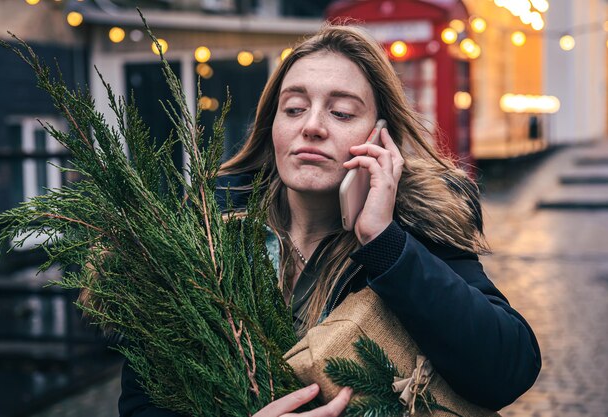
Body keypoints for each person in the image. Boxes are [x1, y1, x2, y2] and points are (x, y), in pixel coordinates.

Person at [119, 24, 541, 417]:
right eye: (295, 108)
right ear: (273, 127)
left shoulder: (418, 229)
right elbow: (144, 396)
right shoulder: (206, 232)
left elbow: (508, 369)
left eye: (341, 113)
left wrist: (385, 242)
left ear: (381, 137)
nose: (312, 126)